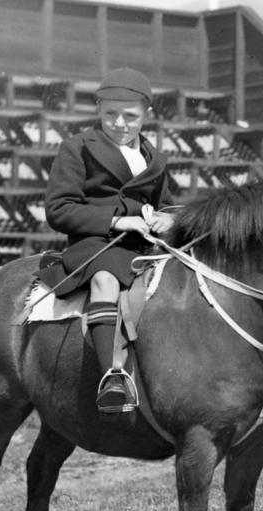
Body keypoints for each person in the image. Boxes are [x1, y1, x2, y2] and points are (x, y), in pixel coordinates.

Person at [41, 67, 175, 415]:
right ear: (98, 110)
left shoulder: (155, 159)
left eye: (130, 116)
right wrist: (117, 220)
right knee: (105, 279)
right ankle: (112, 376)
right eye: (110, 114)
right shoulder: (76, 148)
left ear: (147, 115)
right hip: (96, 243)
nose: (119, 123)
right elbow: (58, 209)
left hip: (144, 245)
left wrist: (168, 217)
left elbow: (167, 203)